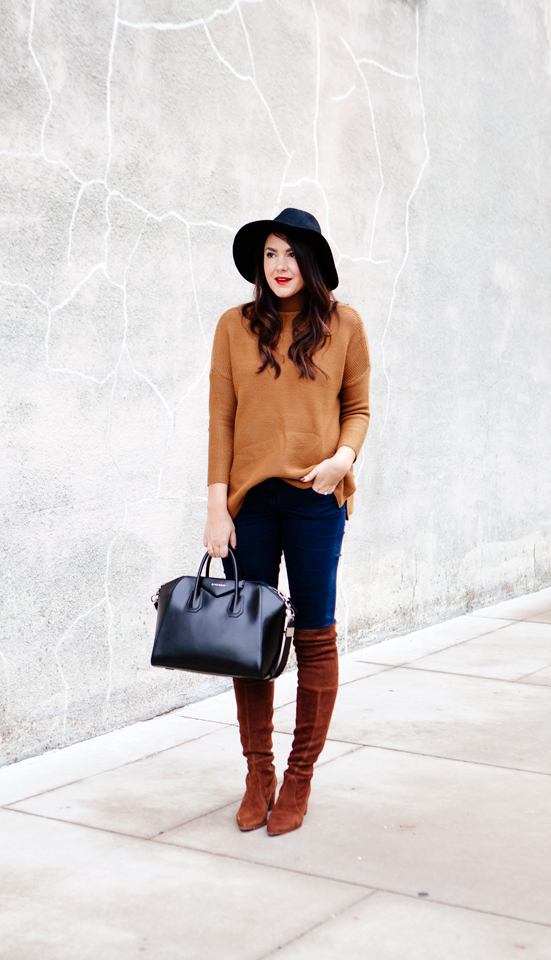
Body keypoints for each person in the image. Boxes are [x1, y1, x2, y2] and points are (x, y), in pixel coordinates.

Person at [203, 208, 370, 835]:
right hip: (252, 504)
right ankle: (258, 773)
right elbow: (221, 418)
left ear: (313, 264)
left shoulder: (344, 325)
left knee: (315, 636)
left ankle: (299, 777)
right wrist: (217, 504)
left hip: (316, 498)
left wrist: (342, 461)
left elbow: (358, 406)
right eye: (271, 254)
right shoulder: (233, 327)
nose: (280, 266)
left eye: (292, 255)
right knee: (251, 640)